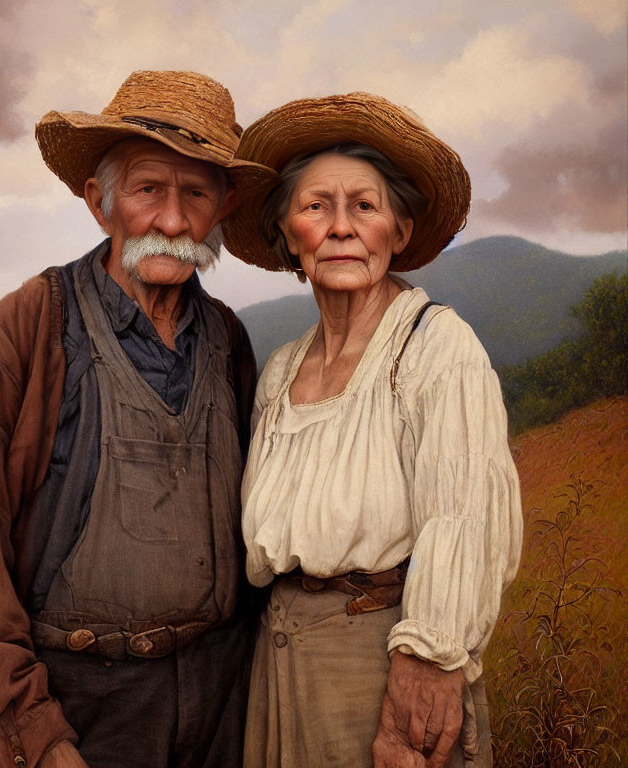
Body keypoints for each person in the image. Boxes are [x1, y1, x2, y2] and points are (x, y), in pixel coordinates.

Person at [0, 70, 274, 768]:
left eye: (196, 193)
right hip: (84, 707)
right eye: (148, 190)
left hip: (226, 697)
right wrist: (30, 730)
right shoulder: (28, 328)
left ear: (223, 208)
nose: (172, 221)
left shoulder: (229, 340)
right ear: (98, 201)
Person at [222, 93, 524, 767]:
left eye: (364, 205)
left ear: (400, 229)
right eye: (314, 206)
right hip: (280, 661)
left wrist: (424, 676)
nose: (340, 227)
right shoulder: (280, 371)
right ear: (287, 235)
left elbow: (462, 517)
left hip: (382, 659)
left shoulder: (435, 348)